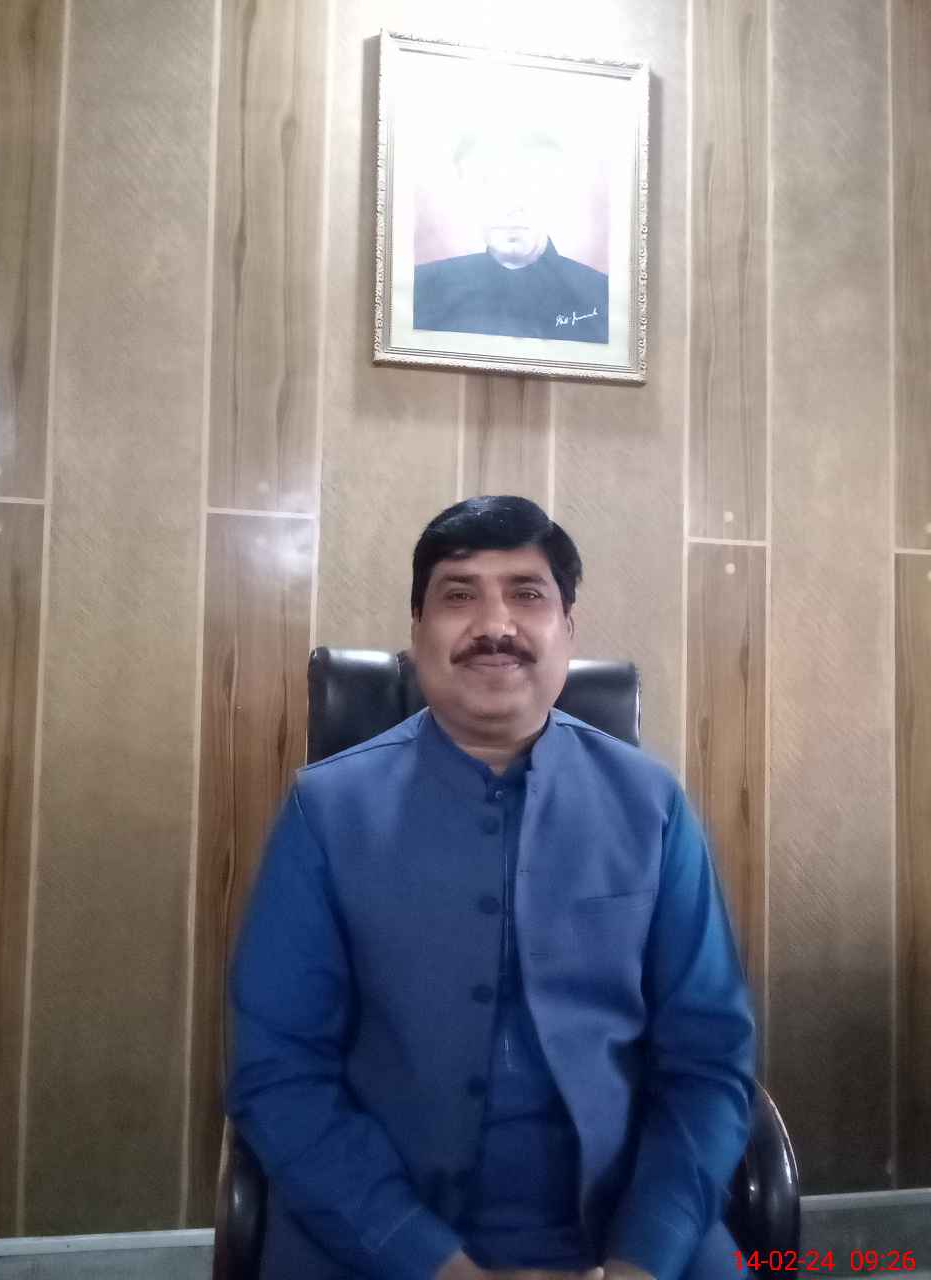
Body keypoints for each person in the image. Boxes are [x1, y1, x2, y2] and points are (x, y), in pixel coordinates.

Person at [227, 495, 756, 1280]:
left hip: (628, 1227)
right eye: (458, 595)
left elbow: (710, 1058)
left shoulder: (653, 806)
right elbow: (279, 1071)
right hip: (375, 1236)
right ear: (418, 632)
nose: (494, 624)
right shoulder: (326, 812)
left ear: (568, 629)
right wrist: (431, 1263)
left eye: (527, 594)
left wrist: (647, 1255)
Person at [413, 130, 610, 343]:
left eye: (531, 185)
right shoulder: (423, 289)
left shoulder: (602, 297)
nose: (512, 207)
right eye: (487, 183)